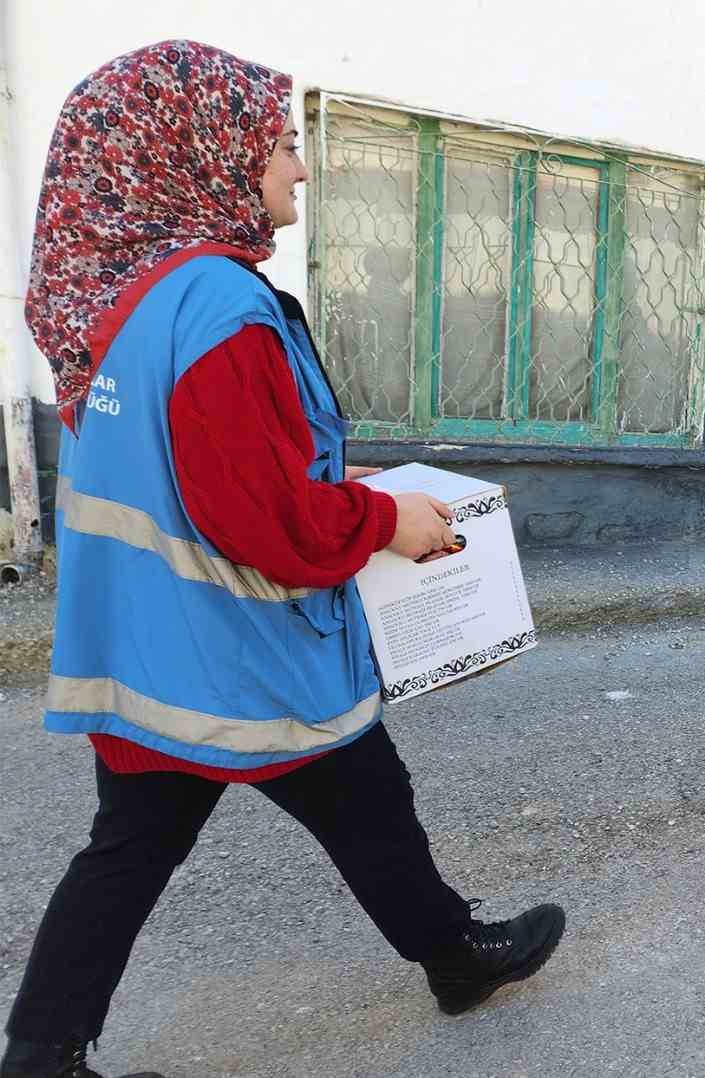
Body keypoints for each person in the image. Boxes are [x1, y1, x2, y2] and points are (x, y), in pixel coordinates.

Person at [2, 42, 563, 1078]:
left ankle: (40, 1052)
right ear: (206, 153)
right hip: (246, 648)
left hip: (143, 652)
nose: (297, 168)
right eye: (280, 144)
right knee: (362, 790)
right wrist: (388, 520)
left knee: (132, 845)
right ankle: (454, 955)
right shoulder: (219, 308)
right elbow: (265, 517)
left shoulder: (118, 302)